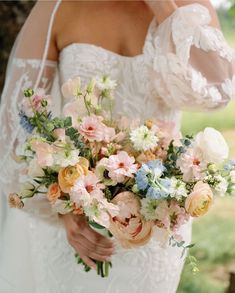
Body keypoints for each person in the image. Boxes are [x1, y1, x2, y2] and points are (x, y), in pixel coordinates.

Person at [0, 1, 234, 292]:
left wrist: (164, 8)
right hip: (73, 223)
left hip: (155, 224)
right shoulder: (58, 6)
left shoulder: (190, 7)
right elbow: (17, 120)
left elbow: (218, 92)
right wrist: (61, 209)